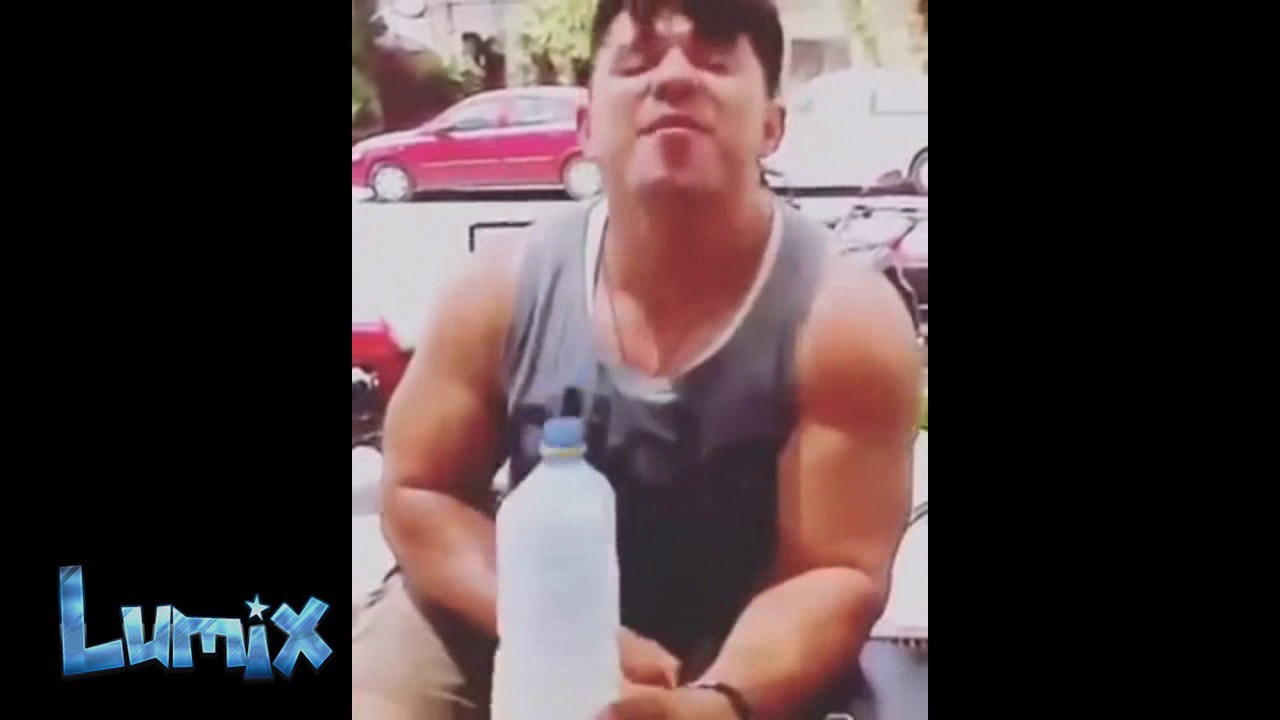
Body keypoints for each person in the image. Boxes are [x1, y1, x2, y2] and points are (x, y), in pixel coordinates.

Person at [352, 0, 922, 717]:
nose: (674, 80)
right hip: (520, 607)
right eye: (638, 62)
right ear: (587, 125)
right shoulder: (502, 286)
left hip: (742, 642)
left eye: (714, 62)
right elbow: (419, 490)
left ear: (771, 126)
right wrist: (551, 625)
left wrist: (717, 703)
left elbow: (833, 569)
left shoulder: (844, 319)